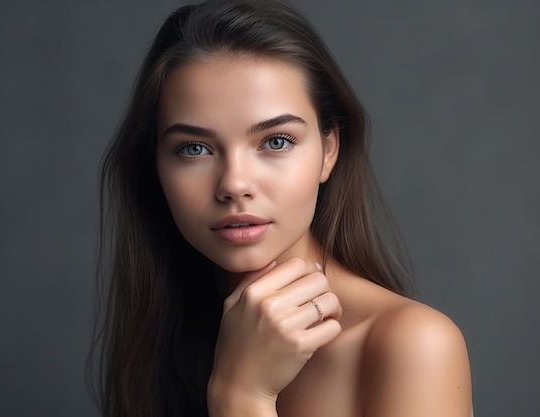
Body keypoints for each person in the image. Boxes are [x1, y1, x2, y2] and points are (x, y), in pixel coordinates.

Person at [88, 0, 473, 416]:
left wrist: (241, 395)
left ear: (328, 150)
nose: (235, 184)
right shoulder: (163, 344)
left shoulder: (412, 345)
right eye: (194, 148)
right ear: (155, 166)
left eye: (276, 141)